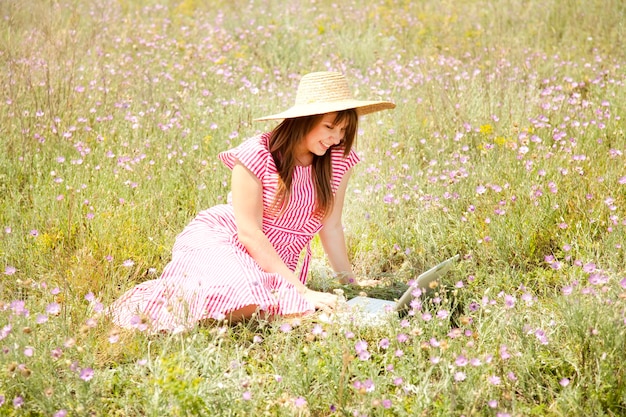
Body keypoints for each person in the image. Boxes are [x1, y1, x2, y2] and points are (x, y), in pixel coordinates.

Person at [107, 71, 395, 333]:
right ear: (304, 120)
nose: (336, 138)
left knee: (253, 299)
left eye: (344, 130)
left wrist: (350, 284)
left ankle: (279, 310)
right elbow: (249, 234)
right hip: (226, 239)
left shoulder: (336, 159)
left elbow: (330, 225)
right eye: (330, 126)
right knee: (244, 294)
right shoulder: (257, 154)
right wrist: (301, 291)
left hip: (273, 259)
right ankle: (275, 311)